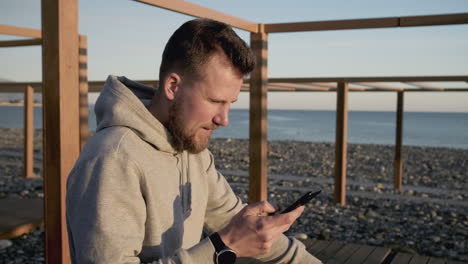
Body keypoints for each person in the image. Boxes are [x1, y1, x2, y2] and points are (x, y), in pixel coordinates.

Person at [66, 18, 322, 264]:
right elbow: (229, 238)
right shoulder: (112, 158)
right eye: (214, 101)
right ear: (173, 87)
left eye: (230, 103)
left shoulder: (191, 146)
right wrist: (224, 247)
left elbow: (229, 216)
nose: (224, 119)